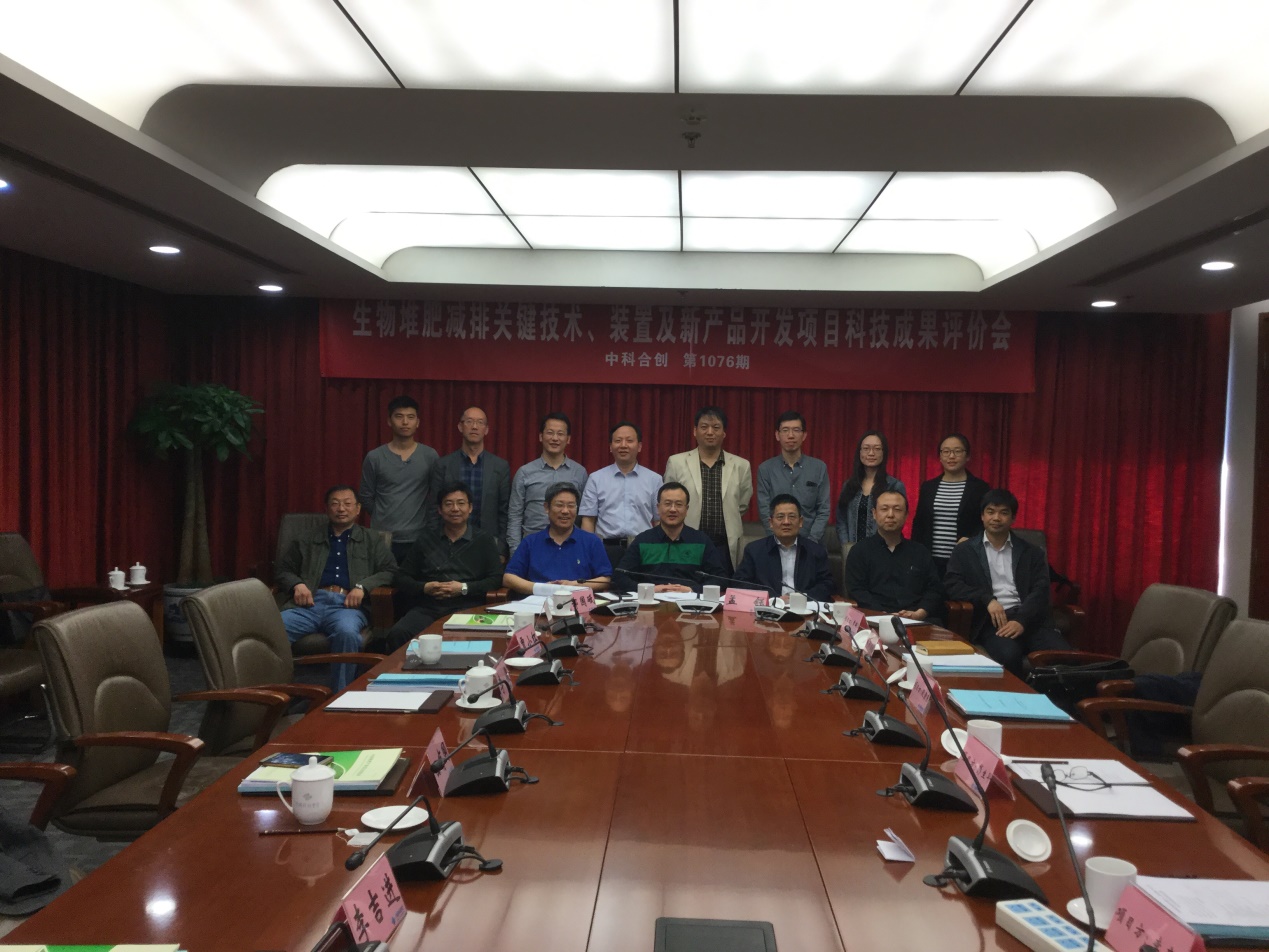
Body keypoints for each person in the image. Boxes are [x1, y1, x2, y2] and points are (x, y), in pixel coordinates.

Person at [276, 485, 397, 691]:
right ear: (326, 509)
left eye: (347, 504)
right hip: (308, 604)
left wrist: (363, 587)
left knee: (347, 633)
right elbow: (283, 570)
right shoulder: (307, 538)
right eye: (335, 503)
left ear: (358, 509)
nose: (341, 509)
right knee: (272, 630)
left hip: (347, 606)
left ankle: (340, 694)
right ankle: (277, 693)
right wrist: (297, 584)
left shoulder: (371, 540)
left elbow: (391, 571)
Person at [944, 488, 1070, 677]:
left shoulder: (1031, 552)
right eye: (990, 512)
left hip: (1030, 620)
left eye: (1003, 513)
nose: (996, 518)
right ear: (982, 516)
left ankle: (1049, 695)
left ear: (1013, 518)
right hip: (993, 622)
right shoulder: (965, 550)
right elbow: (952, 585)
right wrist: (987, 599)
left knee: (1063, 656)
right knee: (1008, 656)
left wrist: (1021, 620)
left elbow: (1041, 590)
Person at [384, 482, 504, 650]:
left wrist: (464, 588)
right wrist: (425, 587)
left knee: (472, 640)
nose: (455, 509)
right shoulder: (426, 539)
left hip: (468, 607)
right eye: (448, 504)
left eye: (461, 503)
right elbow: (401, 577)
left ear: (470, 508)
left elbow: (496, 578)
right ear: (440, 510)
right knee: (399, 633)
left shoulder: (483, 540)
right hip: (429, 608)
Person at [663, 406, 752, 574]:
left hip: (724, 545)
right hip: (686, 541)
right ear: (695, 431)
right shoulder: (676, 462)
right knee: (686, 584)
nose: (710, 432)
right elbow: (669, 500)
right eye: (704, 427)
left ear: (724, 433)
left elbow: (742, 505)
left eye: (716, 427)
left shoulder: (741, 465)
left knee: (723, 585)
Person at [358, 395, 439, 564]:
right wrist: (383, 515)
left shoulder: (430, 455)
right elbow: (365, 496)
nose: (405, 422)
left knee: (415, 580)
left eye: (410, 417)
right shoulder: (375, 457)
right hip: (382, 537)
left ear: (418, 422)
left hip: (418, 536)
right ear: (389, 421)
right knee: (382, 579)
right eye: (399, 416)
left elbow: (436, 495)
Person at [843, 489, 942, 624]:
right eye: (884, 509)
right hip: (874, 620)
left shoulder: (920, 552)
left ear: (906, 515)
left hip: (916, 621)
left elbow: (934, 589)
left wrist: (920, 613)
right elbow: (857, 590)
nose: (890, 515)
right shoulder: (859, 551)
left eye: (897, 509)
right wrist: (882, 614)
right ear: (874, 514)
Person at [612, 482, 727, 592]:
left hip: (690, 601)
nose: (673, 509)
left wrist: (692, 590)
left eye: (679, 504)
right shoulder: (643, 540)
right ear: (658, 508)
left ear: (686, 509)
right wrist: (651, 590)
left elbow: (720, 578)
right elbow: (619, 576)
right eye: (667, 504)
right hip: (652, 601)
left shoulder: (701, 541)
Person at [427, 406, 511, 555]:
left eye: (480, 422)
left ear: (486, 429)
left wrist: (501, 549)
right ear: (460, 427)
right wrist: (435, 545)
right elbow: (434, 507)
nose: (474, 427)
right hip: (449, 543)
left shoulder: (500, 466)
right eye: (469, 421)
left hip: (487, 544)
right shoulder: (443, 465)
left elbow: (504, 511)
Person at [503, 482, 611, 595]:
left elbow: (605, 580)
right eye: (559, 505)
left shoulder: (592, 541)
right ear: (547, 507)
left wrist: (574, 586)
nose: (565, 511)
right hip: (539, 601)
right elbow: (508, 578)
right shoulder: (530, 542)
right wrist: (542, 588)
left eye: (571, 506)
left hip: (578, 601)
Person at [580, 421, 662, 568]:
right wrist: (589, 551)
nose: (623, 445)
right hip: (606, 550)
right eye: (618, 441)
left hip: (643, 549)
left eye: (629, 440)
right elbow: (588, 520)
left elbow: (659, 521)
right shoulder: (596, 478)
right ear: (610, 447)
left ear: (639, 446)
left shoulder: (654, 479)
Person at [507, 412, 588, 555]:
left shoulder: (579, 473)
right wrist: (516, 552)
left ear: (568, 439)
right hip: (532, 546)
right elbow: (515, 515)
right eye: (550, 433)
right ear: (540, 436)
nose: (555, 438)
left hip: (569, 547)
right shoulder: (525, 472)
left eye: (560, 434)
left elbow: (583, 515)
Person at [911, 432, 990, 576]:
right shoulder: (928, 487)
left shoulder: (980, 488)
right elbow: (919, 524)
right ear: (940, 457)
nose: (951, 456)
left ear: (967, 456)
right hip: (930, 562)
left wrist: (972, 539)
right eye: (946, 451)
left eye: (957, 451)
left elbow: (986, 524)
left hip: (964, 561)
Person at [734, 494, 835, 601]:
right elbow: (740, 583)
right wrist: (773, 598)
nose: (786, 522)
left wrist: (800, 598)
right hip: (769, 606)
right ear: (771, 522)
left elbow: (827, 584)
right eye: (780, 517)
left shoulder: (816, 551)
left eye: (792, 516)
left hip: (804, 607)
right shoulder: (754, 550)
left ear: (800, 522)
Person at [756, 411, 830, 543]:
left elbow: (823, 509)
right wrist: (777, 540)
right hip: (776, 543)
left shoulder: (819, 468)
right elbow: (764, 510)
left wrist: (812, 541)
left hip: (812, 543)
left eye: (796, 430)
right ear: (777, 435)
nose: (790, 435)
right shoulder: (765, 469)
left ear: (804, 435)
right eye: (785, 430)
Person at [836, 431, 906, 546]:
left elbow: (897, 522)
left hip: (883, 549)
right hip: (852, 549)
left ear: (884, 453)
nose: (871, 453)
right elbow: (841, 520)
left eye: (877, 449)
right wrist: (846, 545)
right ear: (859, 452)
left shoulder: (894, 485)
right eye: (866, 448)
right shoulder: (849, 485)